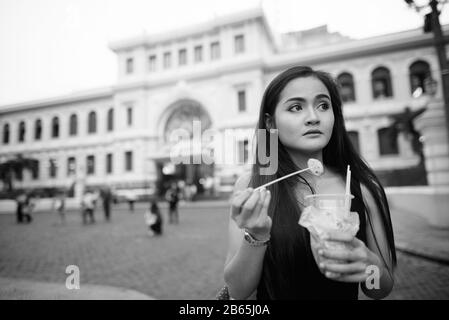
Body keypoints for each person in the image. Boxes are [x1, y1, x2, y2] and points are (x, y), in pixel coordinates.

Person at [224, 66, 396, 300]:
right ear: (270, 123)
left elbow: (379, 289)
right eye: (296, 107)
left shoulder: (362, 189)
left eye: (323, 105)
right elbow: (237, 291)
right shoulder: (253, 186)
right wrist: (257, 234)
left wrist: (369, 265)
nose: (314, 117)